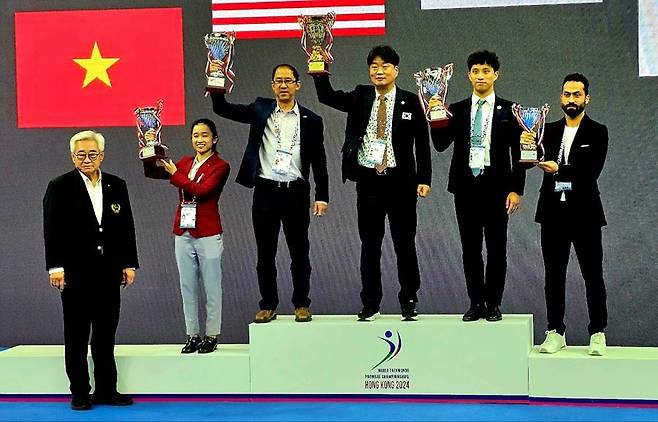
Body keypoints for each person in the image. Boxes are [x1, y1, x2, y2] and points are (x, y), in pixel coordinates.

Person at [312, 45, 432, 322]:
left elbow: (422, 145)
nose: (379, 71)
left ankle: (409, 299)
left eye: (385, 66)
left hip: (401, 182)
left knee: (405, 243)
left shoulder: (411, 101)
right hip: (368, 182)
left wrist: (424, 178)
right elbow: (327, 96)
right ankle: (370, 302)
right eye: (374, 66)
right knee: (370, 244)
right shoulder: (360, 96)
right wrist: (319, 68)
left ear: (396, 70)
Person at [209, 63, 328, 323]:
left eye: (288, 80)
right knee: (265, 253)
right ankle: (268, 304)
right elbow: (222, 109)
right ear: (272, 86)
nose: (283, 85)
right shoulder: (260, 110)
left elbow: (319, 161)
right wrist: (216, 82)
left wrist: (322, 195)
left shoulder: (312, 120)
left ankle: (301, 304)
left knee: (300, 252)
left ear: (298, 85)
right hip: (265, 192)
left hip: (296, 192)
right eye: (278, 81)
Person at [43, 130, 138, 410]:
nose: (87, 159)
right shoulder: (59, 185)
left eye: (92, 153)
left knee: (105, 335)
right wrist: (55, 267)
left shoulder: (116, 185)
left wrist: (128, 263)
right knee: (76, 335)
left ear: (102, 156)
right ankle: (80, 392)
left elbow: (126, 227)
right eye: (81, 154)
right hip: (74, 273)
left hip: (109, 272)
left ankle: (107, 389)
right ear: (73, 157)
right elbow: (51, 229)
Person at [429, 50, 525, 322]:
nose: (480, 76)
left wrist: (516, 189)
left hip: (498, 188)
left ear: (496, 74)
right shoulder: (456, 109)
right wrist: (436, 115)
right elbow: (440, 144)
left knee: (496, 248)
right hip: (465, 187)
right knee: (470, 248)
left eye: (486, 71)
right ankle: (475, 302)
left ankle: (493, 303)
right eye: (475, 71)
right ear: (469, 75)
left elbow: (520, 152)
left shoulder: (510, 110)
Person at [521, 73, 609, 356]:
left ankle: (597, 332)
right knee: (553, 275)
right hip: (553, 212)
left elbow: (590, 171)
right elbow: (527, 163)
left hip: (585, 213)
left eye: (577, 94)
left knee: (592, 274)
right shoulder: (546, 129)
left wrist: (560, 170)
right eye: (567, 94)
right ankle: (555, 331)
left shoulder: (598, 131)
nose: (571, 99)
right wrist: (526, 143)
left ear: (586, 98)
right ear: (560, 97)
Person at [159, 119, 230, 354]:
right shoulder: (185, 162)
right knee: (187, 286)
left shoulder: (220, 165)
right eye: (196, 135)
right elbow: (157, 172)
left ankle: (211, 335)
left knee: (211, 286)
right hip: (183, 231)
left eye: (205, 135)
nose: (200, 140)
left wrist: (174, 174)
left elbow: (201, 190)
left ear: (214, 139)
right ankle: (192, 335)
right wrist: (150, 149)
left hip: (208, 232)